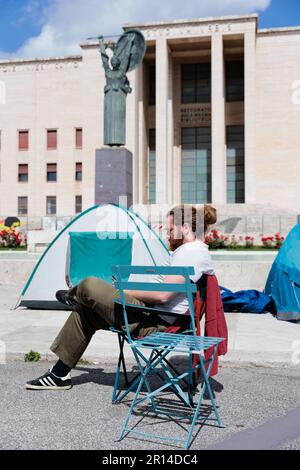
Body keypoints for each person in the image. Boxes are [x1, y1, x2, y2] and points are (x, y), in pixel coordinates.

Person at [26, 204, 217, 390]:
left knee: (89, 284)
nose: (166, 234)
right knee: (85, 312)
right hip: (148, 313)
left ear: (184, 228)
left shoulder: (191, 253)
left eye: (169, 229)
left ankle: (73, 295)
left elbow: (162, 295)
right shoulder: (188, 251)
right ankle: (59, 374)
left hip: (155, 324)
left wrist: (124, 292)